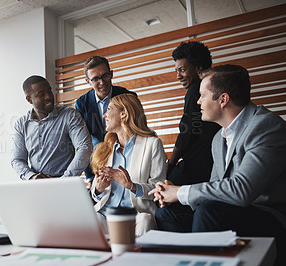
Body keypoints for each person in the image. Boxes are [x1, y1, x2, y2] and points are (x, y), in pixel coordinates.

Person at [150, 65, 286, 265]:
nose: (198, 102)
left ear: (223, 99)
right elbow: (216, 189)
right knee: (167, 213)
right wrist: (173, 195)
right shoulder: (217, 138)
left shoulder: (266, 127)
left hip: (269, 217)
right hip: (229, 212)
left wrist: (179, 192)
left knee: (209, 212)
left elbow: (241, 190)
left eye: (202, 95)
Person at [0, 75, 92, 231]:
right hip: (34, 186)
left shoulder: (69, 115)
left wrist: (64, 181)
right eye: (41, 94)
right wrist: (31, 176)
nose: (48, 96)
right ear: (29, 99)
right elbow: (17, 160)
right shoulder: (21, 124)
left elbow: (84, 148)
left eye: (49, 91)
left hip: (64, 184)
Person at [90, 94, 166, 237]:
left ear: (123, 113)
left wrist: (131, 185)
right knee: (92, 219)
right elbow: (95, 192)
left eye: (109, 109)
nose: (104, 115)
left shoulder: (152, 144)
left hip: (136, 215)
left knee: (145, 220)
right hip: (106, 215)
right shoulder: (104, 149)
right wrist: (99, 189)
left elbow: (158, 188)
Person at [167, 41, 221, 185]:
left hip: (197, 163)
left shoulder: (194, 90)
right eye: (176, 71)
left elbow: (187, 133)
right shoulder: (217, 87)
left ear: (198, 68)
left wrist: (170, 165)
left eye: (182, 69)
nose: (178, 76)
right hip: (215, 161)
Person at [76, 56, 136, 181]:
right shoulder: (82, 104)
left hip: (127, 162)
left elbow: (135, 132)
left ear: (111, 74)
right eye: (96, 79)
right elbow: (84, 143)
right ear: (88, 81)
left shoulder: (128, 97)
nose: (102, 82)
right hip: (98, 163)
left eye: (105, 76)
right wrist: (90, 178)